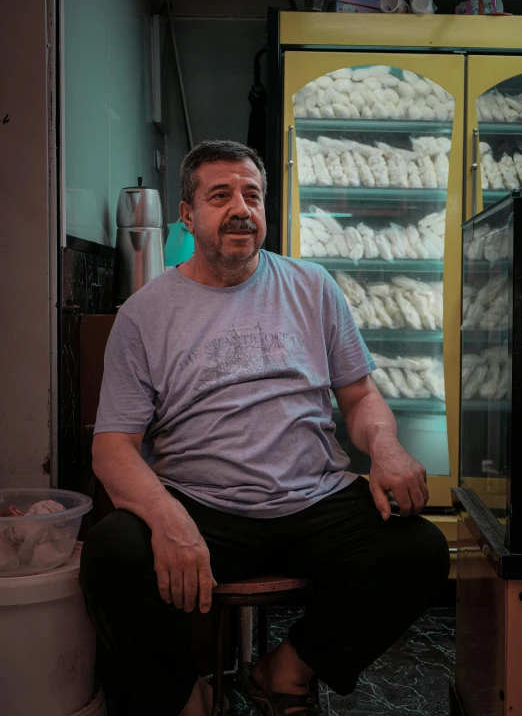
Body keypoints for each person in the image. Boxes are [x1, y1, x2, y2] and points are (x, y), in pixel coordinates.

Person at [80, 140, 449, 716]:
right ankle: (183, 696)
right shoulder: (144, 314)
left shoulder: (313, 286)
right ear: (187, 214)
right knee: (111, 553)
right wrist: (167, 516)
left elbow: (360, 395)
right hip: (203, 506)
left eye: (251, 195)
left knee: (419, 548)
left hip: (312, 499)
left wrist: (386, 446)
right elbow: (112, 448)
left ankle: (287, 669)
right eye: (220, 195)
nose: (240, 208)